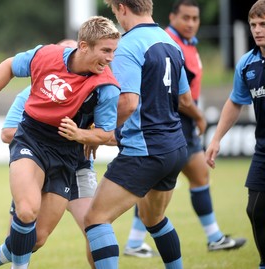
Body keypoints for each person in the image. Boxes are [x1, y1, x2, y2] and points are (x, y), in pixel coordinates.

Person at [0, 16, 121, 269]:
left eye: (113, 51)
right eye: (105, 50)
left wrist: (81, 135)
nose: (111, 58)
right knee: (26, 211)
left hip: (67, 157)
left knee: (36, 239)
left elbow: (106, 133)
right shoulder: (46, 56)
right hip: (31, 140)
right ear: (83, 46)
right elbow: (9, 66)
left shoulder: (106, 87)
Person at [83, 1, 207, 268]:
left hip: (145, 150)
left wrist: (99, 130)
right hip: (175, 147)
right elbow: (185, 98)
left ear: (121, 7)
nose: (117, 18)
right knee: (154, 219)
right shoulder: (170, 42)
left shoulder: (128, 45)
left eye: (115, 12)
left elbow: (128, 103)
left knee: (95, 220)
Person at [123, 0, 246, 258]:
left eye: (195, 19)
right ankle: (211, 238)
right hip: (174, 122)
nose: (191, 23)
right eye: (186, 18)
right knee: (178, 180)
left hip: (174, 124)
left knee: (189, 178)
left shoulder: (188, 44)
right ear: (172, 17)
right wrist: (200, 117)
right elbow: (182, 97)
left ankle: (139, 242)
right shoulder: (169, 42)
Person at [1, 39, 96, 268]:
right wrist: (50, 136)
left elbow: (110, 132)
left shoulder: (96, 91)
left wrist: (87, 135)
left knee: (96, 230)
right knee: (32, 235)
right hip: (37, 159)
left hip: (78, 167)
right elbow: (7, 133)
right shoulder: (33, 91)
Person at [206, 1, 265, 268]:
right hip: (262, 147)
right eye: (253, 24)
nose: (257, 30)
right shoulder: (247, 63)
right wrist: (217, 138)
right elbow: (235, 102)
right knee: (255, 209)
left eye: (263, 24)